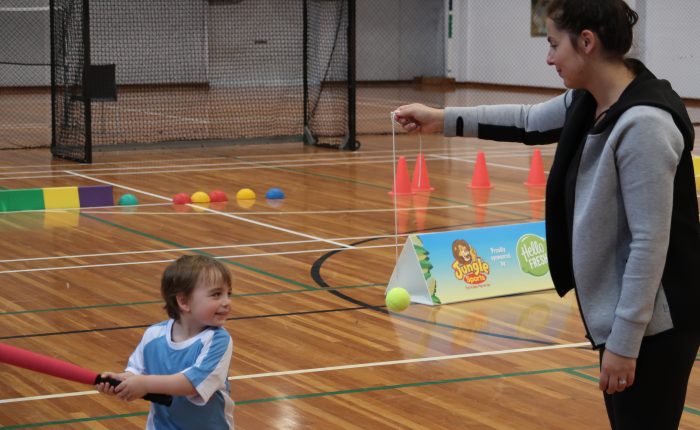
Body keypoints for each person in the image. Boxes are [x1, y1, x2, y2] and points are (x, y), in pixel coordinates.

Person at [394, 1, 700, 429]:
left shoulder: (644, 125)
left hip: (656, 327)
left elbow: (650, 244)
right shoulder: (587, 100)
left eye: (555, 45)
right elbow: (526, 121)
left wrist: (625, 343)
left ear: (587, 43)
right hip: (628, 320)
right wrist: (441, 119)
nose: (549, 57)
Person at [97, 255, 235, 429]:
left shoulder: (218, 341)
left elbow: (191, 384)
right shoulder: (154, 335)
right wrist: (119, 381)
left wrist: (144, 384)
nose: (227, 302)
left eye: (228, 294)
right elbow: (136, 373)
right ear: (183, 301)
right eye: (216, 294)